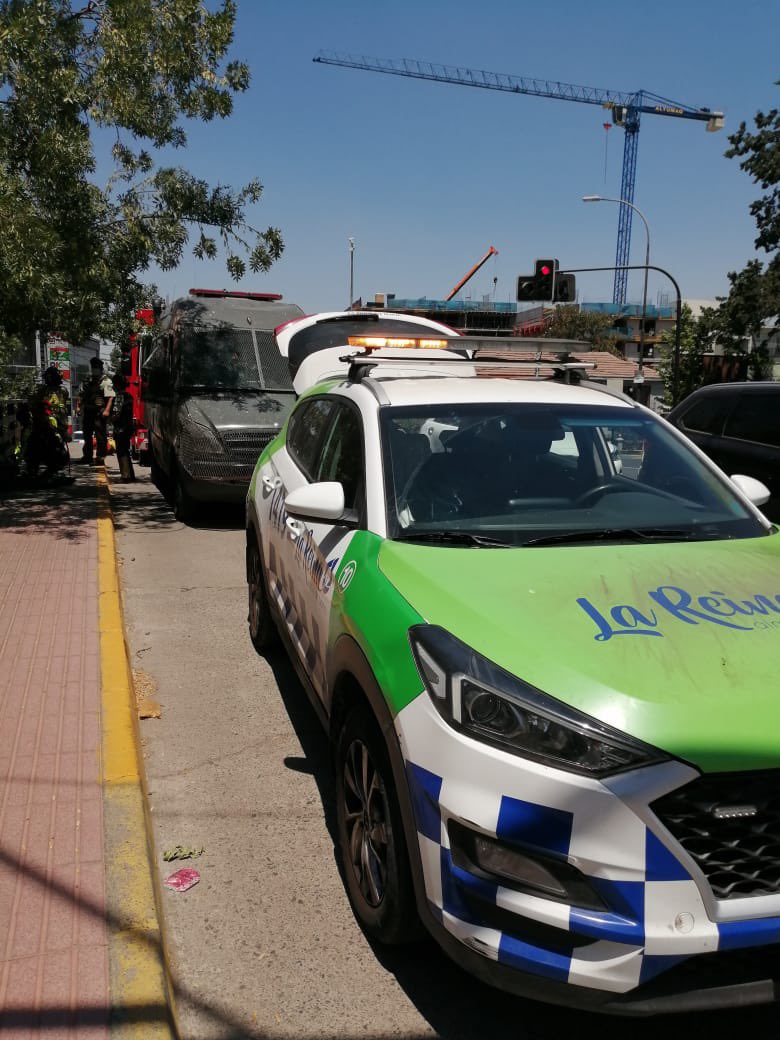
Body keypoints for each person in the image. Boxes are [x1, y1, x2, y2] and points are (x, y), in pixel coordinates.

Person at [25, 366, 71, 479]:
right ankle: (33, 468)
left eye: (51, 377)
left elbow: (63, 408)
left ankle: (53, 468)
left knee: (57, 447)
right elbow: (33, 404)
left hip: (58, 425)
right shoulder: (42, 391)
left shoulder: (62, 391)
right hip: (43, 423)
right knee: (33, 444)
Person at [75, 357, 114, 464]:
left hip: (99, 412)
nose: (94, 369)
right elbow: (81, 395)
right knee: (87, 435)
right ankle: (87, 456)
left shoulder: (106, 381)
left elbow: (110, 397)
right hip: (88, 411)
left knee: (100, 436)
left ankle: (100, 457)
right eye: (93, 367)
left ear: (100, 368)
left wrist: (107, 411)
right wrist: (78, 407)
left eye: (96, 367)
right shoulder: (87, 380)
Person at [110, 372, 136, 483]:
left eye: (114, 384)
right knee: (125, 450)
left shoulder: (119, 397)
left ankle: (126, 476)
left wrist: (109, 418)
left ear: (117, 385)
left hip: (121, 428)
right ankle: (130, 475)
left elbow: (116, 414)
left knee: (121, 452)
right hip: (128, 427)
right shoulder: (129, 396)